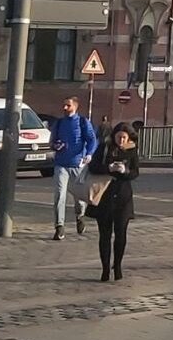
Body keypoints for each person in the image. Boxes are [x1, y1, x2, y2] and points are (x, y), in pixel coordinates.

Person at [88, 122, 140, 281]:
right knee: (104, 235)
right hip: (104, 195)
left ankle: (117, 266)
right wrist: (109, 168)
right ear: (114, 136)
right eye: (119, 137)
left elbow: (135, 172)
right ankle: (105, 269)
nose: (121, 141)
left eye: (124, 138)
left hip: (123, 197)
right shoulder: (104, 147)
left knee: (121, 234)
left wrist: (125, 171)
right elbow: (93, 167)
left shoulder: (132, 151)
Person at [49, 96, 98, 240]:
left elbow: (92, 139)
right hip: (61, 164)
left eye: (68, 106)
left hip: (78, 164)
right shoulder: (59, 123)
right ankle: (59, 226)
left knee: (79, 197)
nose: (65, 108)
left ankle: (80, 216)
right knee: (59, 195)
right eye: (64, 105)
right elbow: (52, 142)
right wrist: (55, 145)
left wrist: (89, 153)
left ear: (75, 107)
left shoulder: (83, 122)